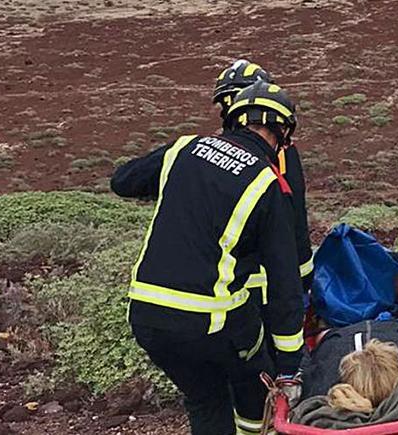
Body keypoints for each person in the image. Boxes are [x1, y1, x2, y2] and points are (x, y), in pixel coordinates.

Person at [112, 81, 306, 435]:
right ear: (280, 132)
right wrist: (290, 363)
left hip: (147, 316)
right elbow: (284, 282)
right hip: (209, 321)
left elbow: (123, 181)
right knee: (253, 385)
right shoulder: (267, 183)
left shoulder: (185, 148)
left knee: (205, 397)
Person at [212, 59, 315, 295]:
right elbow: (295, 214)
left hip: (216, 276)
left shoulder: (207, 150)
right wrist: (304, 272)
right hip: (262, 277)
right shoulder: (281, 153)